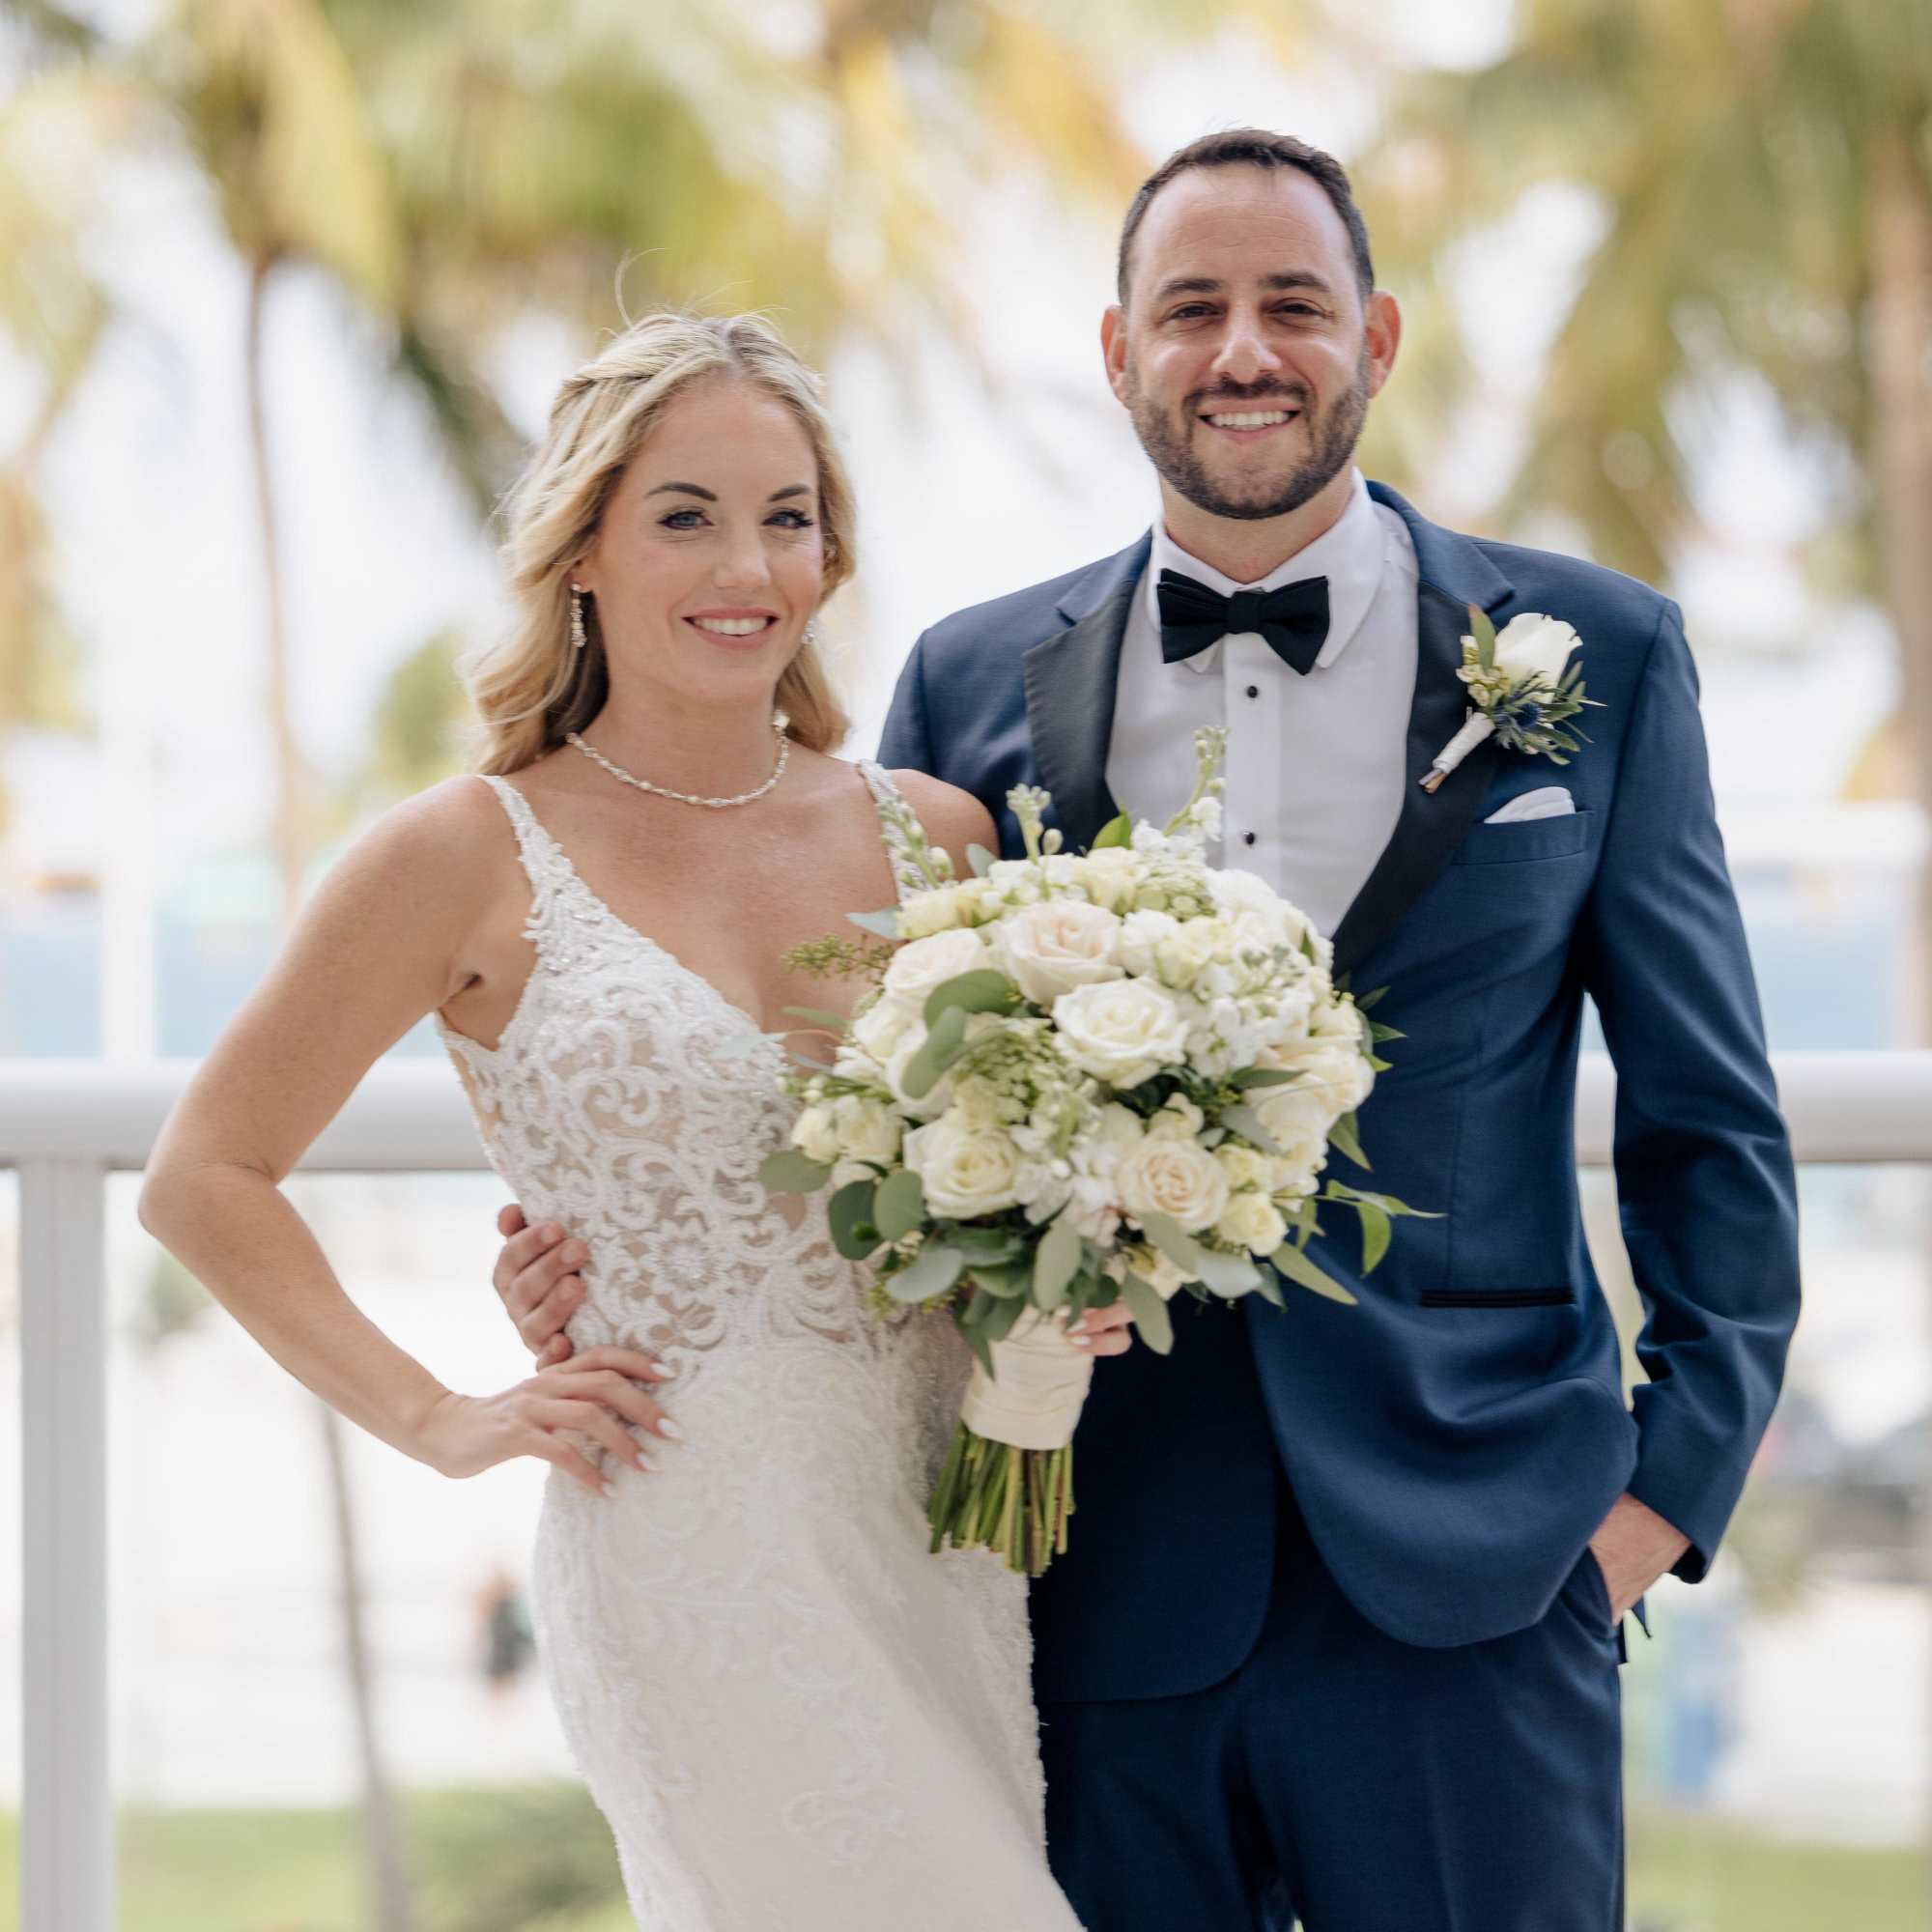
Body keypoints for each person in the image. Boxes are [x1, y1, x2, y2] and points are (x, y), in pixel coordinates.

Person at [493, 133, 1802, 1930]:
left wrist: (1660, 1504)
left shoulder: (1594, 653)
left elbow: (1708, 1119)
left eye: (1293, 306)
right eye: (1192, 309)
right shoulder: (970, 680)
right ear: (1119, 353)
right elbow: (858, 1085)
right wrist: (604, 1252)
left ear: (1381, 337)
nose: (1242, 351)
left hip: (1482, 1576)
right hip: (1091, 1585)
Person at [138, 312, 1094, 1930]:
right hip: (686, 1542)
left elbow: (1008, 1175)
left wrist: (1084, 1260)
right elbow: (204, 1180)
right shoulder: (461, 851)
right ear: (581, 547)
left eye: (788, 516)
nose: (749, 565)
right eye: (685, 514)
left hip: (945, 1537)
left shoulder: (940, 840)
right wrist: (445, 1415)